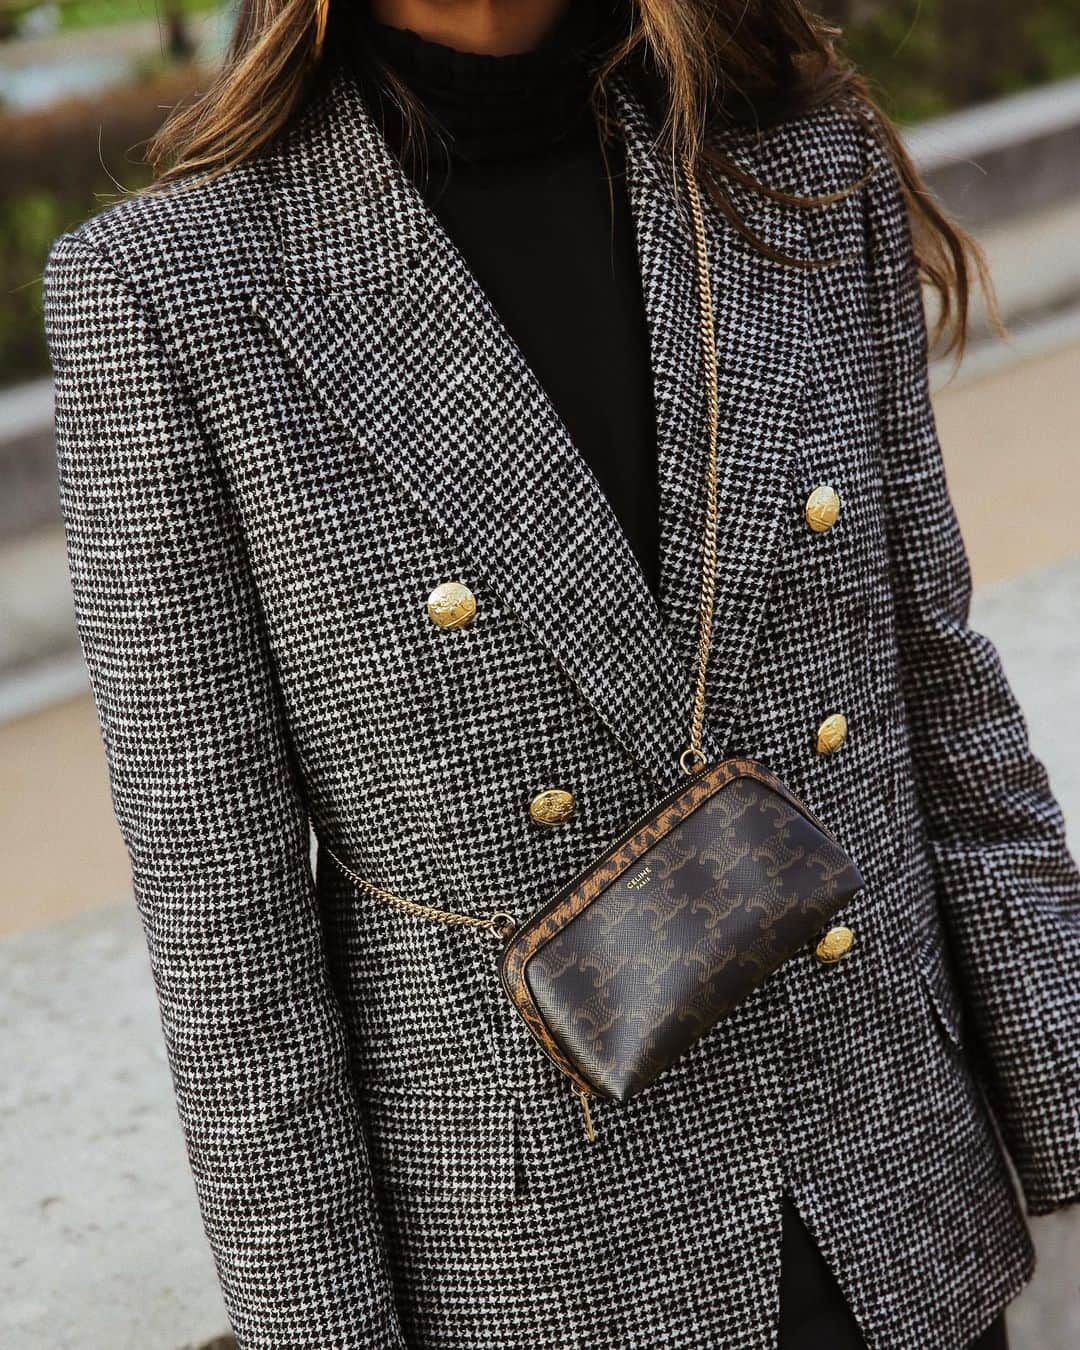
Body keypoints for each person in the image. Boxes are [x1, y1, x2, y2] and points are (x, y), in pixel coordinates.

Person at [42, 1, 1079, 1347]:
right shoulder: (171, 294)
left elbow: (940, 699)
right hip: (543, 1274)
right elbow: (231, 948)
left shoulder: (802, 165)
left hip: (899, 1214)